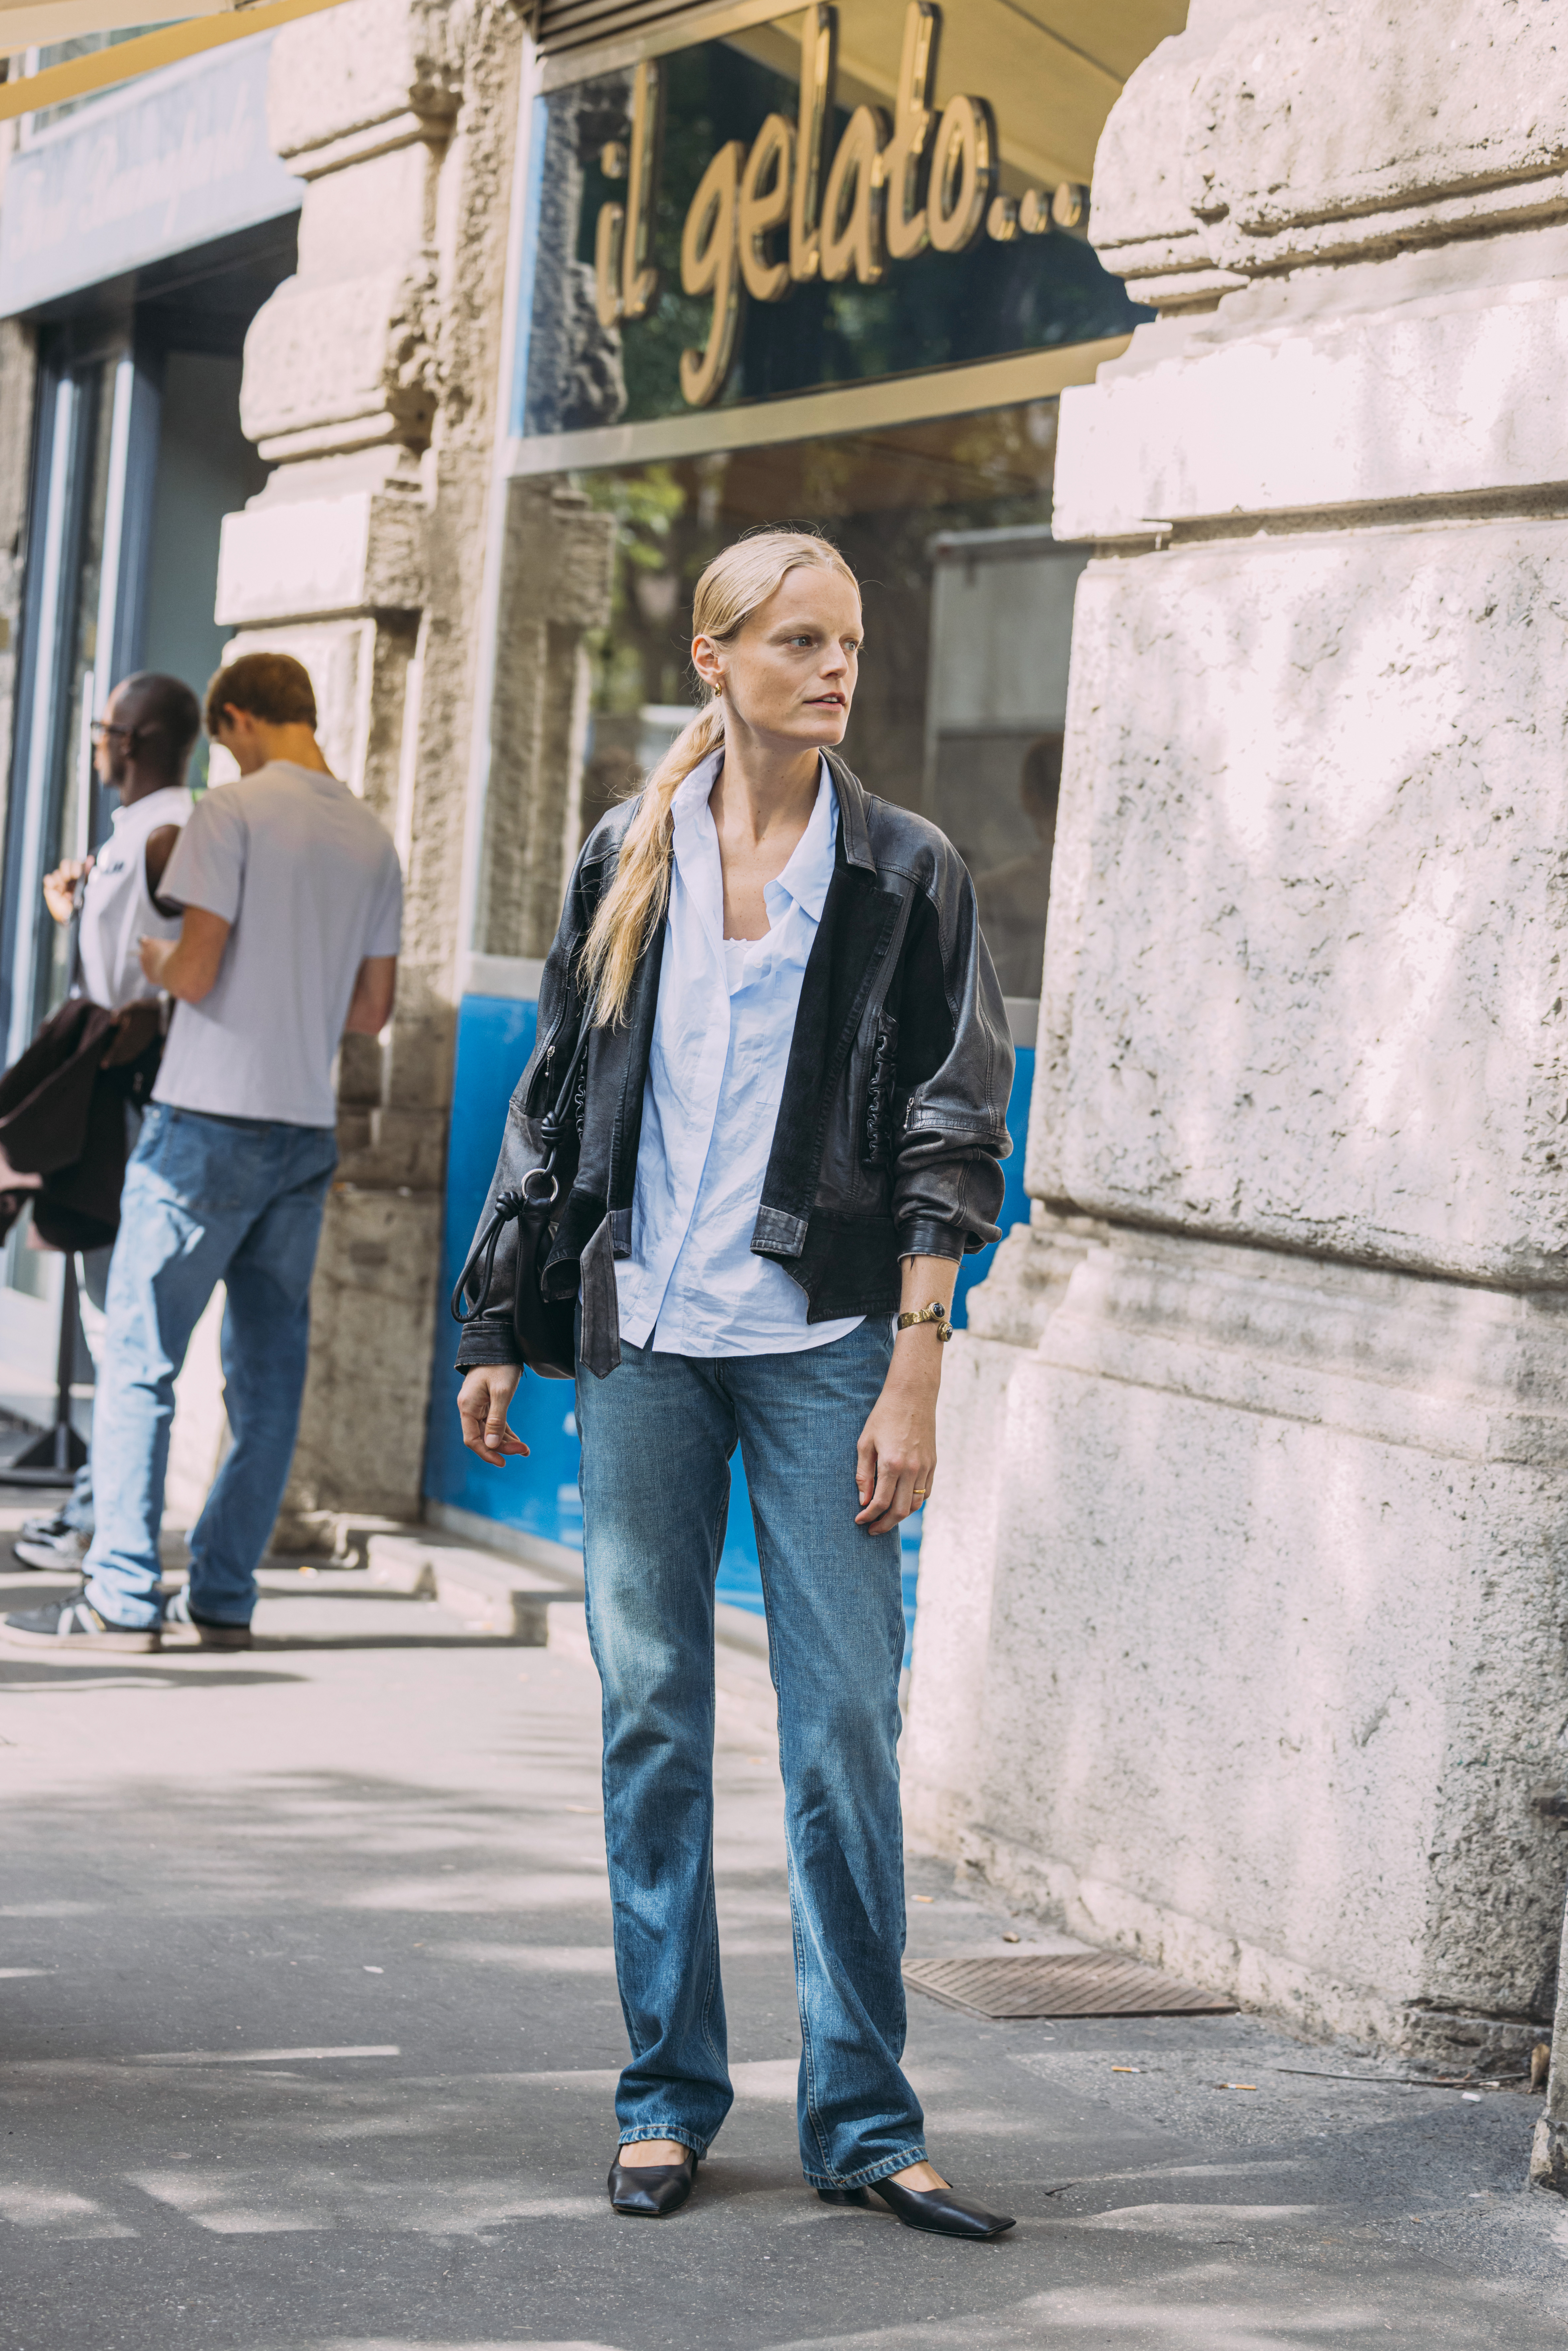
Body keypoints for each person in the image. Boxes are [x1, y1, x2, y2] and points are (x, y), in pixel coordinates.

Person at [452, 532, 1016, 2237]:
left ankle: (861, 2113)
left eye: (847, 642)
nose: (834, 667)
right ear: (714, 656)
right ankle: (665, 2095)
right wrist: (495, 1321)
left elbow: (949, 1128)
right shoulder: (628, 853)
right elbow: (556, 1102)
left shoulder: (906, 872)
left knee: (844, 1724)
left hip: (823, 1346)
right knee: (652, 1722)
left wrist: (914, 1370)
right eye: (796, 640)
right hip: (644, 1346)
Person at [2, 651, 402, 1656]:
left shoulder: (230, 815)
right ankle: (223, 1594)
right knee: (266, 1380)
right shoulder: (371, 836)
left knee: (140, 1359)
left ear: (234, 721)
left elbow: (196, 963)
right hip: (304, 1128)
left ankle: (124, 1596)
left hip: (205, 1119)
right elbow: (372, 1008)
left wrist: (151, 961)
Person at [13, 671, 197, 1574]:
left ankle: (99, 1520)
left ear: (138, 737)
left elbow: (188, 963)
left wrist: (154, 1016)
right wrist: (74, 904)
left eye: (107, 726)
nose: (98, 740)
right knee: (104, 1313)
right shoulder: (136, 833)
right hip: (105, 1084)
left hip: (128, 1099)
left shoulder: (170, 832)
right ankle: (93, 1509)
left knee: (118, 1318)